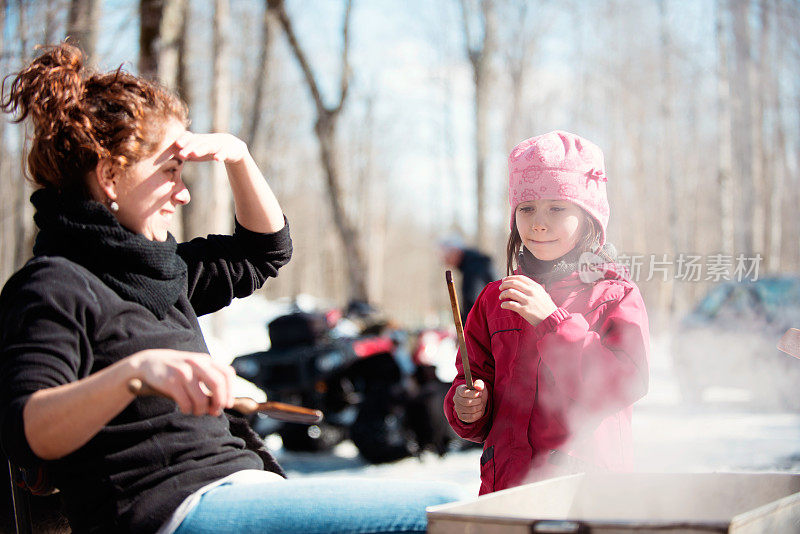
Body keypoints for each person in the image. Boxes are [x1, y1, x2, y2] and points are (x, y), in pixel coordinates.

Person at [0, 44, 462, 534]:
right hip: (166, 511)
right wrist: (133, 374)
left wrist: (238, 157)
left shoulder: (163, 272)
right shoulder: (54, 285)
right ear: (111, 176)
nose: (184, 191)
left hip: (242, 485)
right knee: (441, 513)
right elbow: (26, 430)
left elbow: (265, 250)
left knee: (459, 512)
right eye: (170, 171)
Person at [444, 131, 650, 494]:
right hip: (506, 491)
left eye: (557, 207)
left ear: (589, 217)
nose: (538, 222)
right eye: (527, 208)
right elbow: (472, 379)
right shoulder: (496, 299)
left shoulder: (614, 294)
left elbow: (624, 383)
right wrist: (467, 405)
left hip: (586, 496)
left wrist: (552, 322)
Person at [439, 235, 497, 324]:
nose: (444, 260)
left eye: (446, 255)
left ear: (455, 251)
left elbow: (472, 303)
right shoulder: (473, 264)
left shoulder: (474, 267)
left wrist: (465, 328)